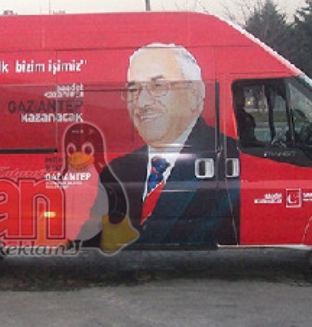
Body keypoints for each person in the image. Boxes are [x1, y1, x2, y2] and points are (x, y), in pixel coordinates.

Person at [96, 43, 239, 250]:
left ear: (194, 94)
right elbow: (90, 241)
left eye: (158, 86)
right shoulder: (116, 171)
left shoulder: (229, 157)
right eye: (134, 89)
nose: (142, 103)